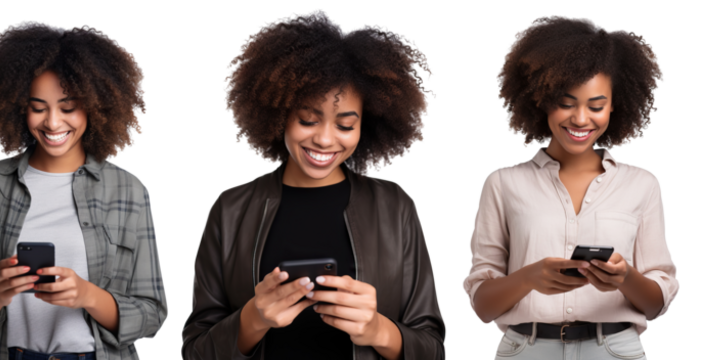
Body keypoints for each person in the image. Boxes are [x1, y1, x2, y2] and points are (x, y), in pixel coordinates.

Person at [182, 8, 445, 360]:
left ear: (366, 125)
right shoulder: (231, 209)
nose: (324, 139)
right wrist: (253, 318)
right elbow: (196, 350)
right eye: (308, 119)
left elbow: (433, 349)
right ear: (281, 113)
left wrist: (377, 330)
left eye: (345, 125)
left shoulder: (394, 205)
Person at [0, 19, 168, 360]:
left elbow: (153, 314)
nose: (52, 123)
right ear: (20, 106)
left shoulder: (127, 189)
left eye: (68, 108)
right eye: (38, 108)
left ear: (96, 105)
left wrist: (87, 295)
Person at [463, 14, 677, 359]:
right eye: (566, 103)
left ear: (615, 106)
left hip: (615, 350)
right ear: (542, 99)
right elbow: (482, 309)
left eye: (596, 106)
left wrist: (624, 278)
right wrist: (529, 278)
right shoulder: (502, 183)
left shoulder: (643, 184)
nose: (580, 119)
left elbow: (655, 306)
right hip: (526, 351)